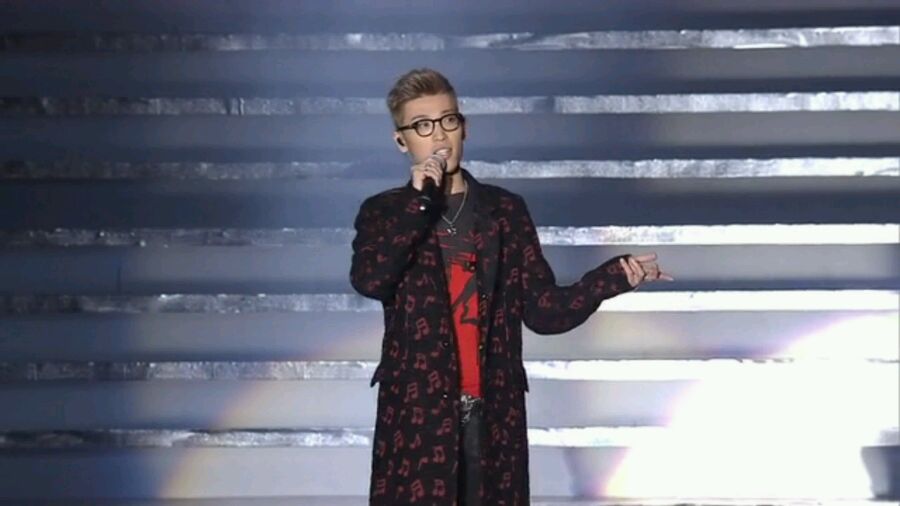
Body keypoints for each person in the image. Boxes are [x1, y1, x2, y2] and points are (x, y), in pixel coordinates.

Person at [350, 68, 673, 506]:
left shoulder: (504, 211)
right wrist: (419, 202)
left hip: (492, 415)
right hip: (417, 416)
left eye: (448, 120)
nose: (439, 135)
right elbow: (371, 279)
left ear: (464, 128)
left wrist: (612, 277)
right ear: (401, 141)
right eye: (422, 125)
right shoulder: (385, 212)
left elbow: (542, 310)